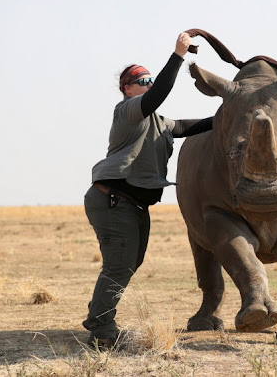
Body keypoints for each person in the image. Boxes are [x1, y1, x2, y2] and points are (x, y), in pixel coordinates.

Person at [83, 32, 213, 350]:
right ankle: (101, 328)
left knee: (128, 264)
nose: (149, 84)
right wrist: (178, 55)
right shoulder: (127, 111)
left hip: (133, 204)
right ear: (127, 89)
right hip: (113, 200)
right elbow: (158, 96)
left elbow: (184, 126)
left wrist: (230, 113)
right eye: (143, 81)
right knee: (118, 265)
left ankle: (100, 319)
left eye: (150, 79)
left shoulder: (157, 120)